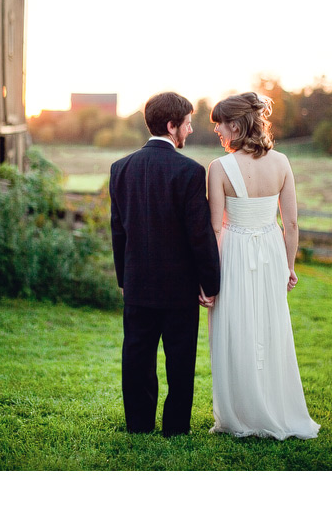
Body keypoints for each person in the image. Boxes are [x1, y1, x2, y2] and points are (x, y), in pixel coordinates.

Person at [206, 92, 319, 439]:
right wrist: (288, 266)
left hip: (234, 251)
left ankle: (239, 415)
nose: (217, 133)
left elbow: (213, 227)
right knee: (270, 328)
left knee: (233, 328)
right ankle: (273, 406)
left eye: (219, 126)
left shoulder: (218, 168)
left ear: (236, 125)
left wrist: (206, 278)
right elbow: (292, 224)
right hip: (270, 252)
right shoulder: (282, 162)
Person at [109, 92, 220, 437]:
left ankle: (138, 426)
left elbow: (118, 228)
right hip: (178, 287)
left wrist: (123, 278)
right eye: (186, 123)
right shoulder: (190, 171)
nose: (189, 129)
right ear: (171, 126)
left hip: (138, 283)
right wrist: (210, 283)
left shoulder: (120, 168)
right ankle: (175, 427)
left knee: (137, 356)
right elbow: (199, 235)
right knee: (180, 359)